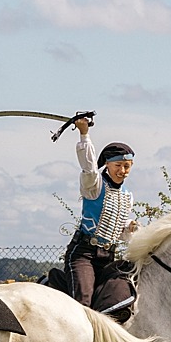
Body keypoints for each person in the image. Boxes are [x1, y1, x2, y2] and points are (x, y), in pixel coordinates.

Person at [64, 116, 138, 311]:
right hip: (84, 254)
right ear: (107, 164)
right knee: (84, 304)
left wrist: (128, 227)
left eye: (127, 166)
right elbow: (88, 167)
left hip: (108, 256)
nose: (122, 171)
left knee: (120, 299)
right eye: (118, 166)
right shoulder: (95, 186)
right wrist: (84, 134)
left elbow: (117, 232)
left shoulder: (126, 196)